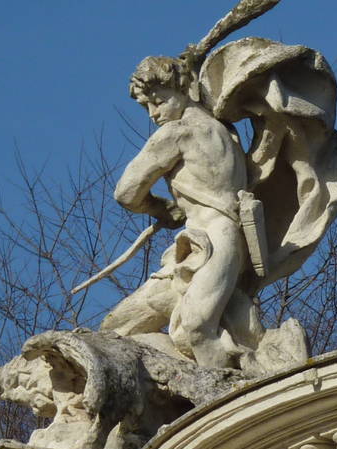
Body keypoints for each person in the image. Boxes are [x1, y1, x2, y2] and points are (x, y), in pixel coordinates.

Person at [100, 55, 249, 369]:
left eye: (158, 101)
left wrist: (161, 209)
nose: (153, 114)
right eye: (147, 107)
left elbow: (126, 193)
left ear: (186, 89)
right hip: (200, 247)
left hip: (214, 241)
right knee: (115, 331)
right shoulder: (228, 133)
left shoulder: (176, 134)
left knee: (195, 330)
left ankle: (225, 393)